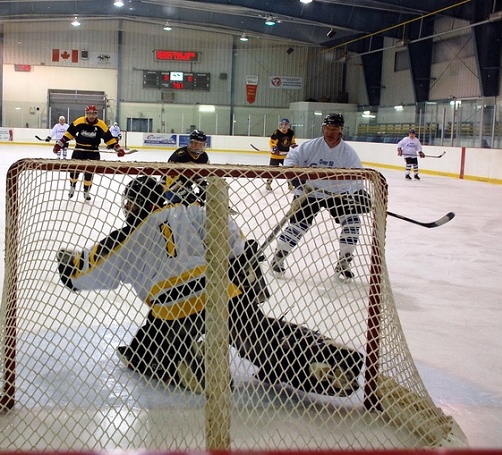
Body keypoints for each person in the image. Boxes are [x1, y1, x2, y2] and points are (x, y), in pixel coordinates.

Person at [56, 176, 363, 396]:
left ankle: (193, 365)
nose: (127, 207)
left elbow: (91, 270)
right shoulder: (193, 211)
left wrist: (69, 264)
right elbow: (235, 245)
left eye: (130, 202)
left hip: (176, 308)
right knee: (258, 337)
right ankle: (313, 355)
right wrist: (246, 253)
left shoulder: (128, 236)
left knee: (150, 357)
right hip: (223, 291)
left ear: (137, 202)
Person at [270, 113, 370, 281]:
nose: (331, 132)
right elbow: (291, 159)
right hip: (310, 191)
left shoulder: (348, 153)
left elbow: (357, 177)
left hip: (337, 194)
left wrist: (357, 193)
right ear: (323, 128)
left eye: (335, 129)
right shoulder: (310, 146)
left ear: (341, 131)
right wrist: (296, 178)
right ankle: (278, 258)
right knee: (298, 225)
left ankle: (344, 261)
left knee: (353, 222)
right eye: (328, 128)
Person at [53, 105, 125, 201]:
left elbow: (109, 139)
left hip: (93, 151)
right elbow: (69, 134)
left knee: (89, 173)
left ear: (96, 114)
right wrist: (59, 144)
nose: (91, 116)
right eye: (89, 113)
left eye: (93, 113)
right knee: (74, 170)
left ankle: (86, 191)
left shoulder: (101, 125)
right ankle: (72, 187)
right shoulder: (79, 121)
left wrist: (117, 148)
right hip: (79, 150)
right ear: (86, 113)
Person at [162, 129, 209, 203]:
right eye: (195, 143)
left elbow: (198, 175)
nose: (197, 146)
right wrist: (187, 195)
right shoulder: (181, 155)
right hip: (170, 189)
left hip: (186, 187)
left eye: (200, 144)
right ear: (190, 142)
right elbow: (170, 182)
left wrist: (204, 188)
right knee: (190, 204)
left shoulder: (204, 157)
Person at [266, 118, 298, 191]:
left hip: (285, 156)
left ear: (288, 125)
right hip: (275, 156)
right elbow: (272, 142)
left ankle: (290, 186)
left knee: (288, 171)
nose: (284, 126)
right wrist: (274, 148)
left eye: (286, 125)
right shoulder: (277, 133)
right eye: (282, 124)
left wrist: (294, 146)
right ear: (280, 125)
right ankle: (268, 184)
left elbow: (292, 142)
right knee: (272, 171)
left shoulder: (290, 133)